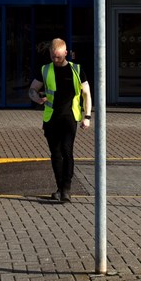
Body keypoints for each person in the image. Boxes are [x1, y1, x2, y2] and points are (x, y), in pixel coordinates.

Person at [28, 38, 90, 204]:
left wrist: (87, 117)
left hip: (70, 118)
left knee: (66, 151)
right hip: (51, 118)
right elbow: (32, 89)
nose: (55, 59)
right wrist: (36, 99)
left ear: (65, 52)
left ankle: (67, 189)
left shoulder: (76, 69)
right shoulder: (45, 69)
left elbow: (86, 94)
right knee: (55, 154)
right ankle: (60, 188)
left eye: (58, 56)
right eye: (52, 56)